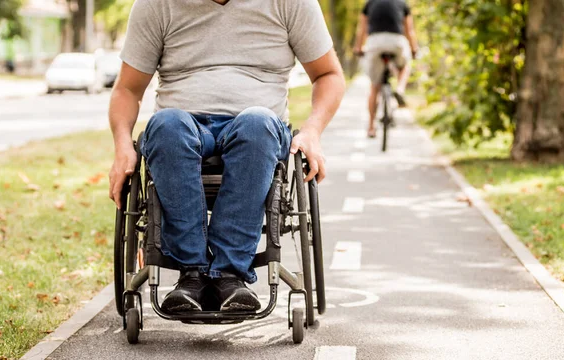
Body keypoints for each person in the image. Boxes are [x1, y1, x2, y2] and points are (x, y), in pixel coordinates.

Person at [108, 0, 345, 313]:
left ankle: (229, 274)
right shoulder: (157, 4)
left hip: (258, 126)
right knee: (166, 126)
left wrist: (312, 131)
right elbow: (127, 89)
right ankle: (191, 274)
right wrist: (123, 144)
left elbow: (328, 74)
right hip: (181, 126)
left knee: (256, 124)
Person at [353, 0, 419, 138]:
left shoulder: (369, 4)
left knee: (374, 87)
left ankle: (371, 127)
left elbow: (362, 29)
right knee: (405, 65)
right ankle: (400, 88)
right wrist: (414, 49)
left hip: (374, 43)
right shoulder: (402, 3)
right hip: (396, 42)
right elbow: (409, 31)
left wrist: (358, 48)